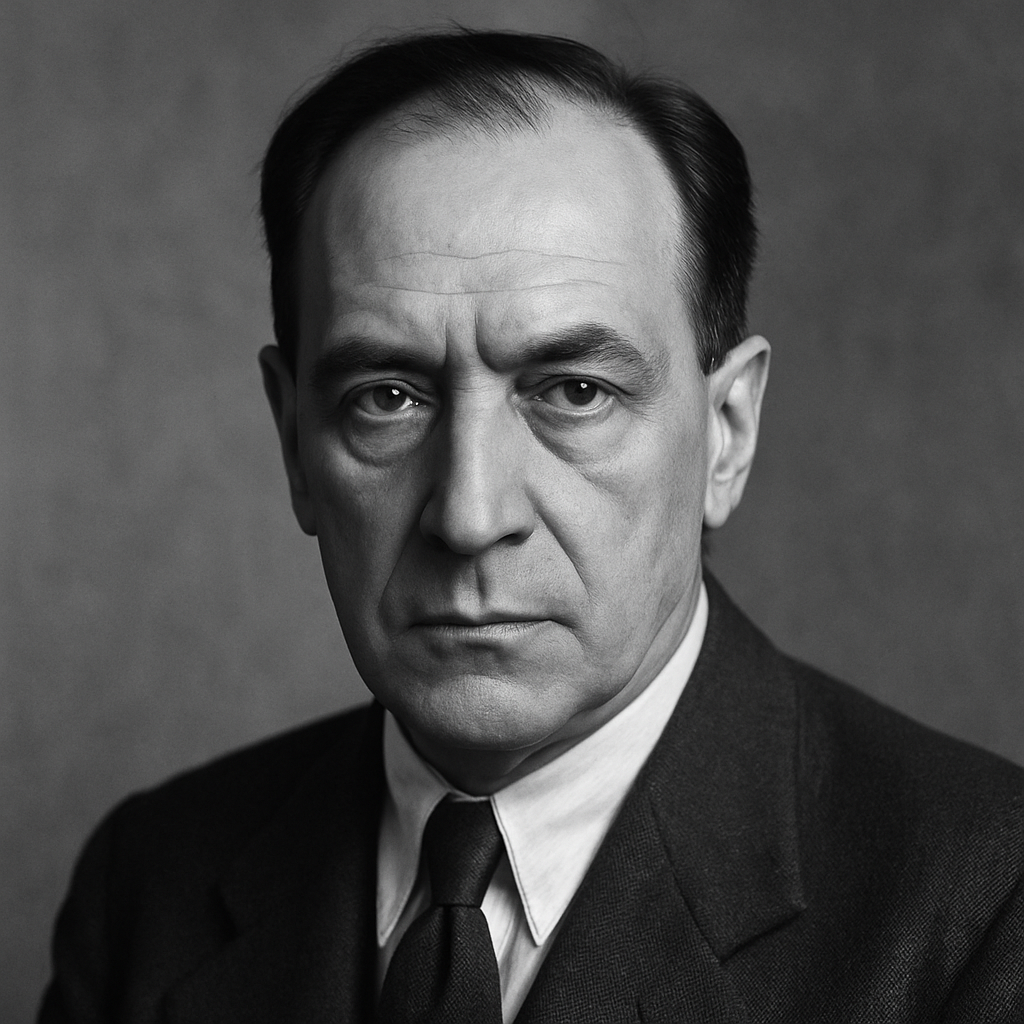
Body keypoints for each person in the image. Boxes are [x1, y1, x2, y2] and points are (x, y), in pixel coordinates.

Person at [39, 28, 1023, 1024]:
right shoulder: (148, 888)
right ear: (294, 442)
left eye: (574, 391)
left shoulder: (986, 908)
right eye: (387, 398)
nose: (471, 516)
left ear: (726, 434)